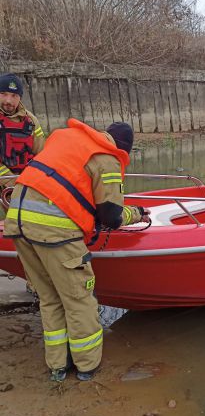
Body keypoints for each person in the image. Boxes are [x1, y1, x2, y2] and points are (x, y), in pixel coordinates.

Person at [3, 118, 150, 382]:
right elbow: (112, 217)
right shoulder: (108, 159)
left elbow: (66, 185)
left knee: (50, 299)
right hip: (55, 233)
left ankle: (57, 367)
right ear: (124, 149)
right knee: (79, 300)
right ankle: (86, 366)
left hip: (18, 223)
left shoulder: (69, 138)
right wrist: (136, 214)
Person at [0, 73, 45, 191]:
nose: (8, 100)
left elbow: (41, 153)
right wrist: (13, 184)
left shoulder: (31, 121)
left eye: (14, 95)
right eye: (3, 94)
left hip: (27, 183)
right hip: (7, 185)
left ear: (20, 97)